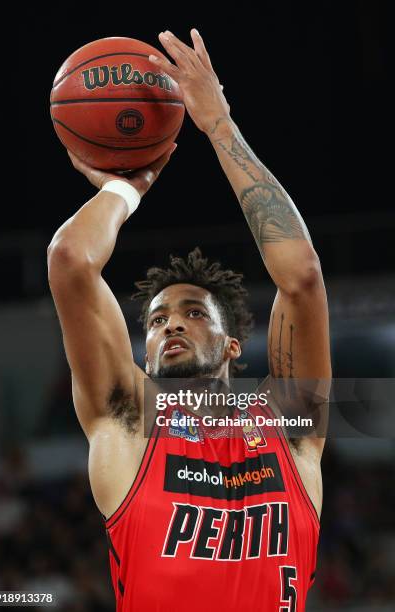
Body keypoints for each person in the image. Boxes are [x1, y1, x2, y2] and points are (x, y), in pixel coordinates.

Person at [48, 28, 331, 612]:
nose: (169, 326)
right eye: (153, 322)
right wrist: (127, 188)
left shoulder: (290, 425)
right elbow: (71, 260)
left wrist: (221, 129)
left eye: (193, 313)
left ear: (231, 346)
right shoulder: (126, 418)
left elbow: (301, 278)